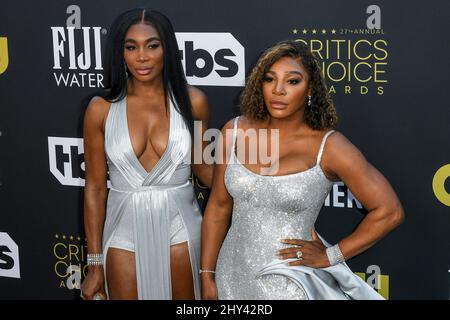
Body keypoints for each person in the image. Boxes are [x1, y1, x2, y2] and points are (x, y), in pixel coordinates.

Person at [200, 40, 404, 300]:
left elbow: (390, 211)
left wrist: (331, 255)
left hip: (289, 282)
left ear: (310, 89)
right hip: (231, 274)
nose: (278, 90)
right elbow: (218, 207)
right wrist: (207, 275)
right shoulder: (235, 131)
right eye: (269, 79)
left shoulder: (329, 147)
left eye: (292, 81)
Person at [80, 8, 212, 300]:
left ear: (167, 48)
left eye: (152, 45)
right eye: (131, 47)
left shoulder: (194, 102)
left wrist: (254, 174)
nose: (141, 56)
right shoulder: (100, 109)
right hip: (122, 229)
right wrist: (94, 264)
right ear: (121, 52)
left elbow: (205, 171)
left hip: (181, 227)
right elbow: (95, 188)